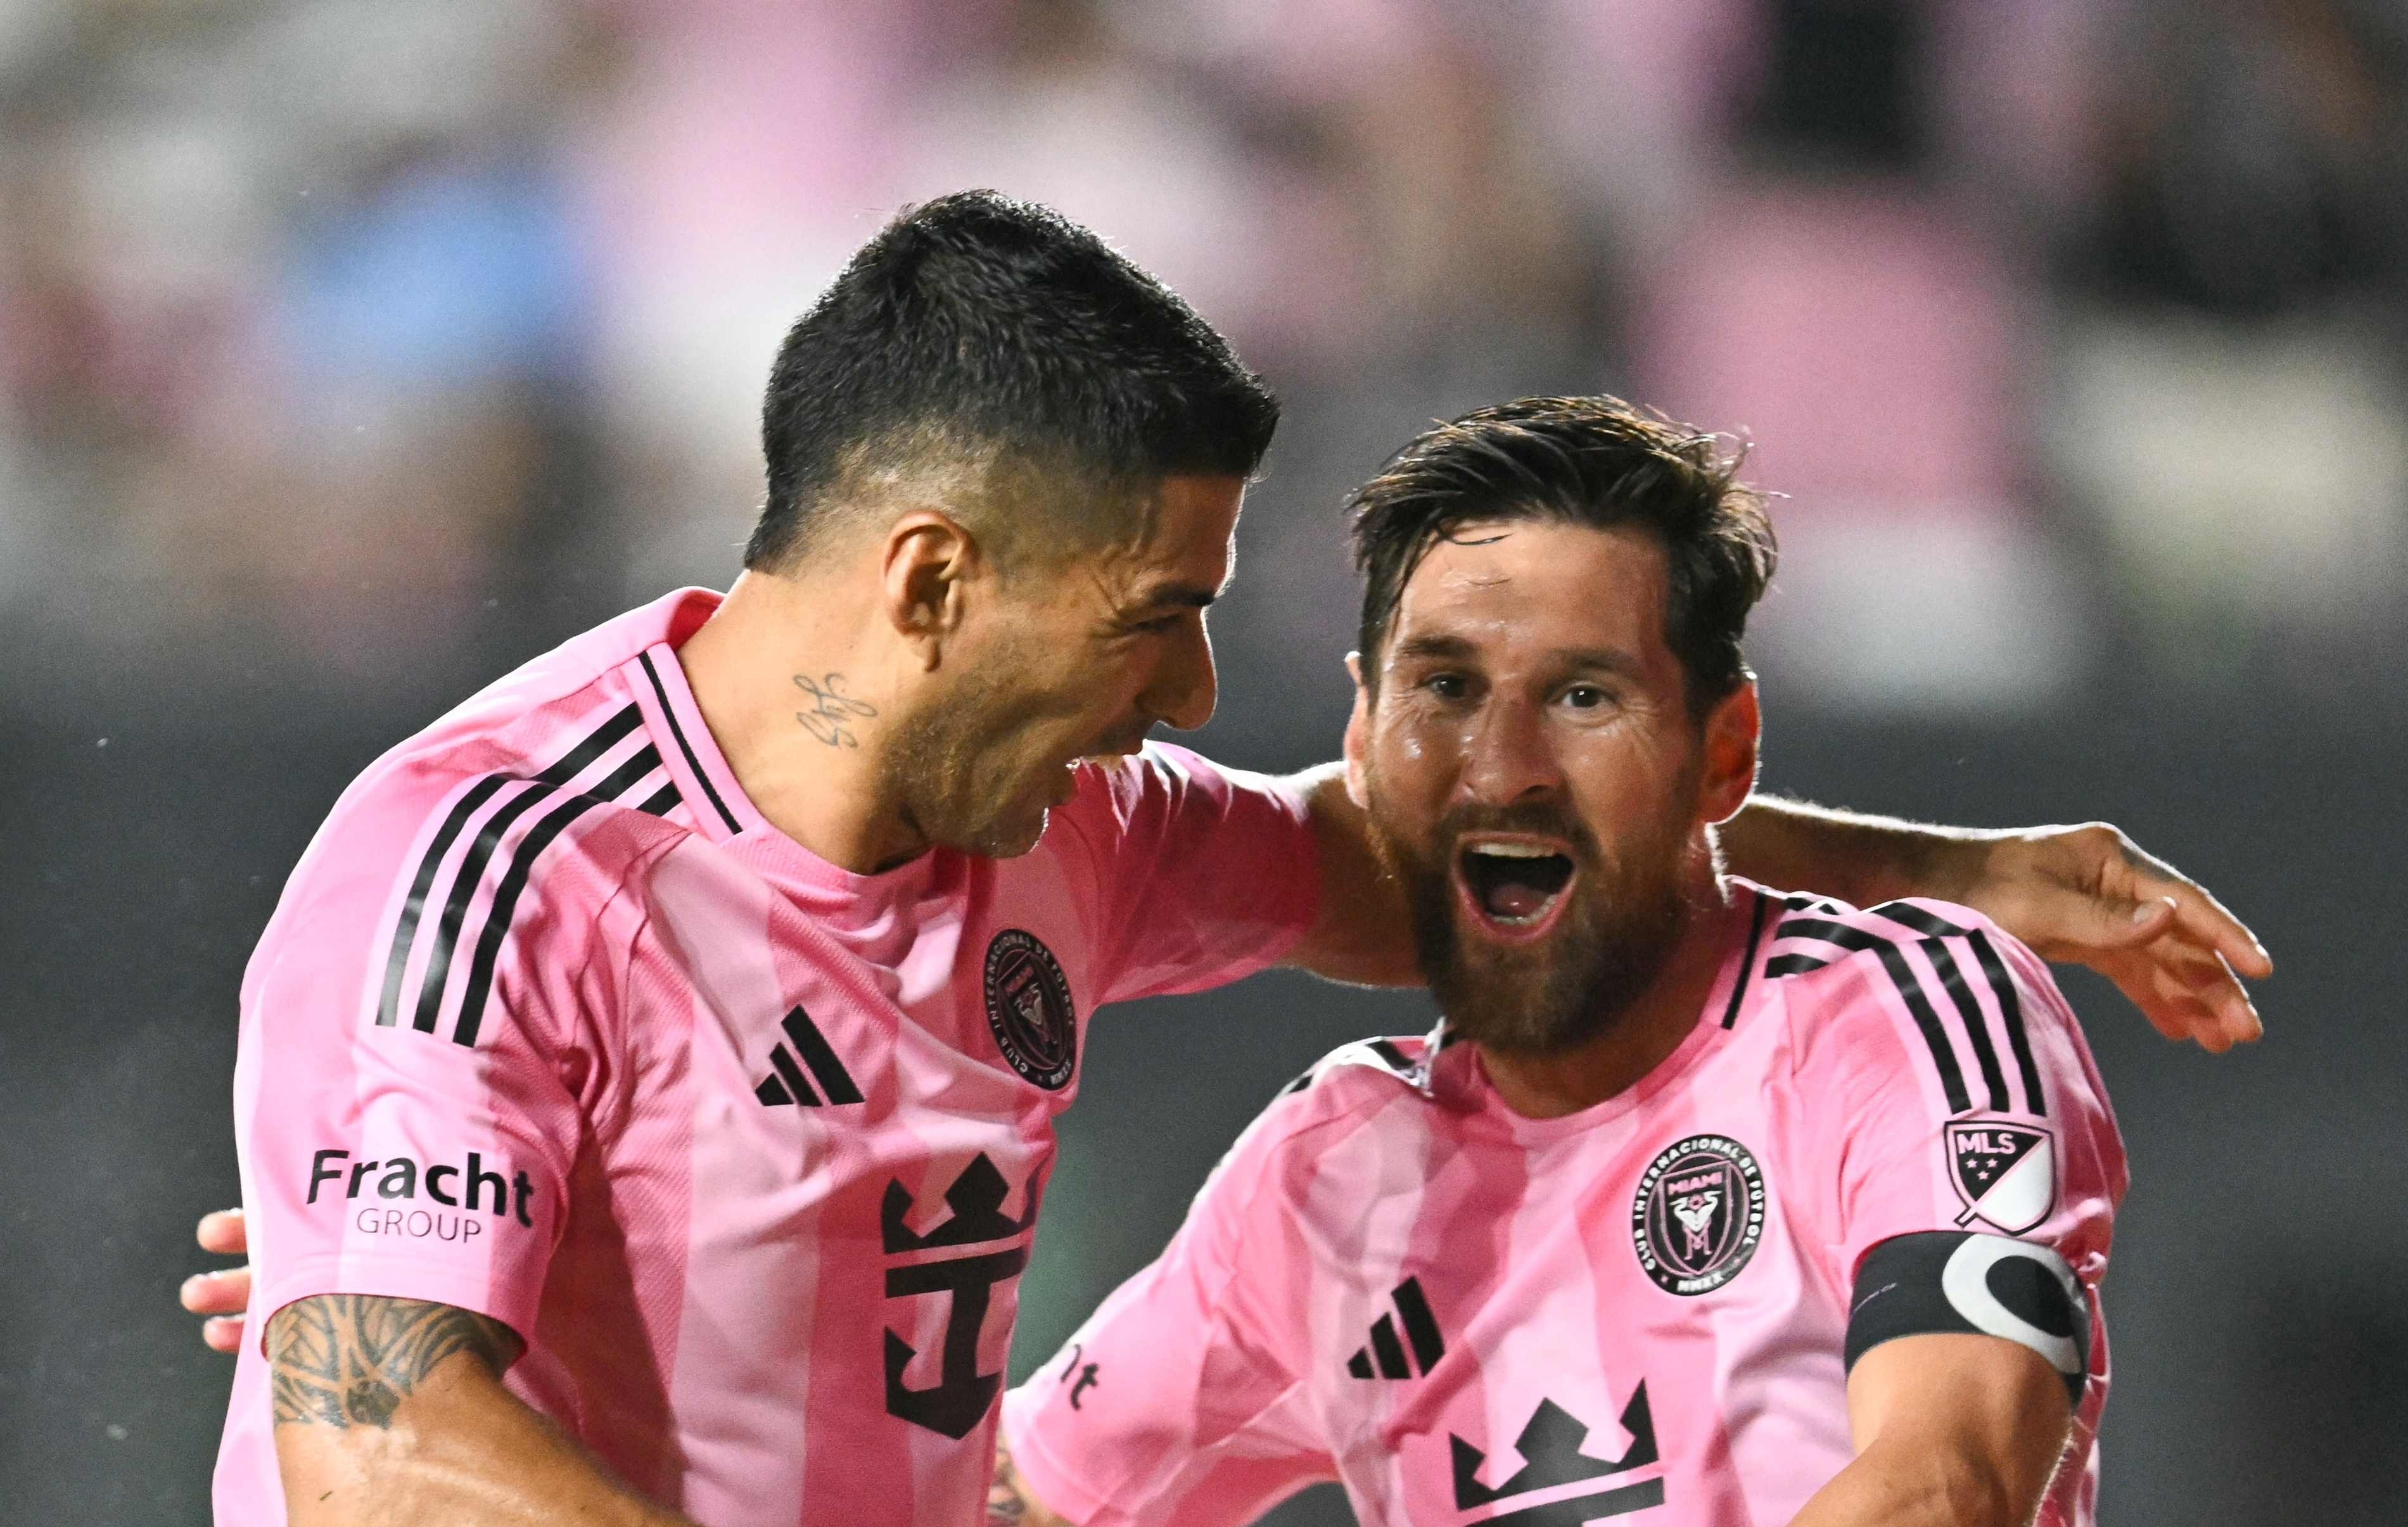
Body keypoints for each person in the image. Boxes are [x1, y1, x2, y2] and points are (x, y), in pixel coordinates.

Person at [186, 195, 2265, 1527]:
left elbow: (1461, 852)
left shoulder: (1061, 830)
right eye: (1152, 616)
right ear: (934, 579)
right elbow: (381, 1453)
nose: (1189, 691)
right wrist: (385, 1286)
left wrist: (1958, 874)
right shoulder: (491, 874)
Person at [993, 398, 2138, 1527]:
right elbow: (1036, 1498)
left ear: (1724, 754)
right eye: (1445, 689)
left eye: (1584, 696)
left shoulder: (1901, 1012)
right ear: (1361, 739)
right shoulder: (1336, 1175)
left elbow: (1948, 1487)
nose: (1503, 769)